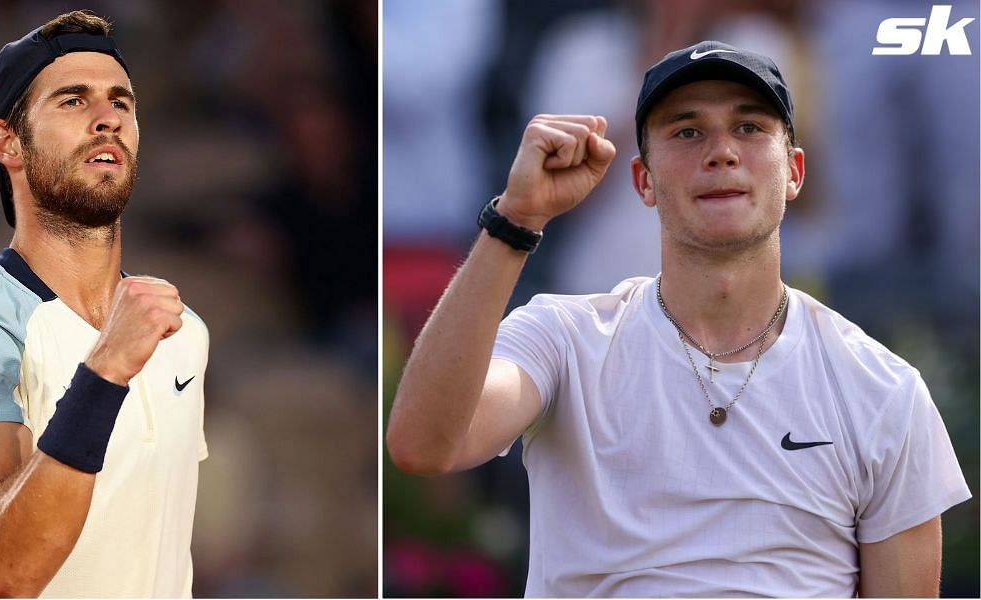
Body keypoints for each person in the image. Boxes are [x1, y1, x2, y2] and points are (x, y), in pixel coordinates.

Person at [386, 40, 971, 597]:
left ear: (793, 171)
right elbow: (426, 445)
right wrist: (515, 220)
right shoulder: (563, 337)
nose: (721, 150)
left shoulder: (883, 388)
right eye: (687, 131)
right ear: (644, 181)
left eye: (749, 127)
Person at [0, 11, 208, 598]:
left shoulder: (183, 334)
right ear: (7, 141)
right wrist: (104, 370)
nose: (108, 118)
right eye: (72, 101)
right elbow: (6, 568)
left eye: (122, 103)